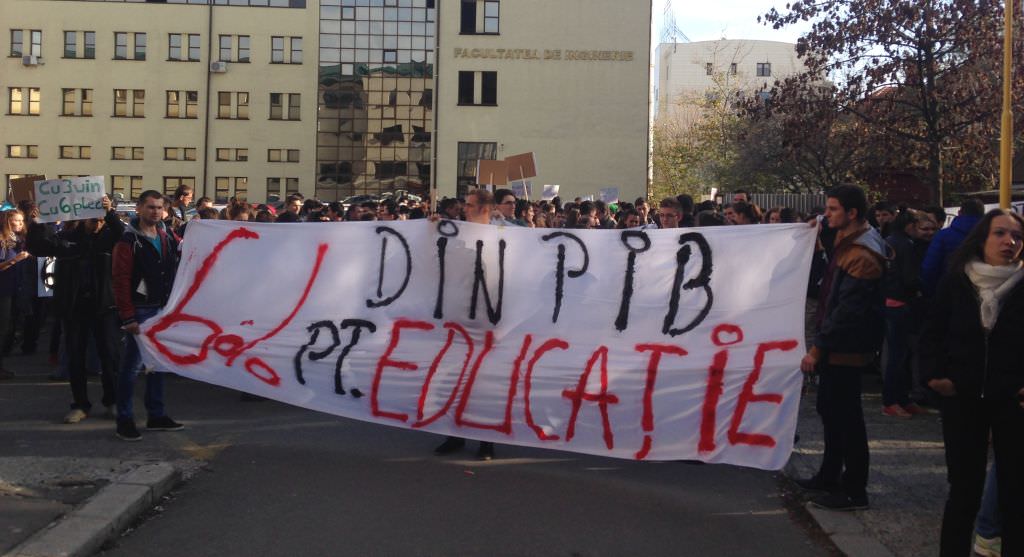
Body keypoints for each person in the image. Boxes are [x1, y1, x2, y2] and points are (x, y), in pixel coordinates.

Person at [919, 209, 1024, 556]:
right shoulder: (957, 280)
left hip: (1012, 401)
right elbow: (933, 331)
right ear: (982, 238)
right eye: (1000, 234)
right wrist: (936, 377)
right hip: (962, 397)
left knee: (1014, 492)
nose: (1010, 242)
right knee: (964, 490)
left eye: (1017, 236)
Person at [798, 184, 886, 511]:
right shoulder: (851, 240)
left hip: (845, 349)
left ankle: (853, 490)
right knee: (831, 412)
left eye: (833, 209)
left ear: (851, 213)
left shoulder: (862, 254)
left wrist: (817, 349)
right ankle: (829, 476)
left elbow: (847, 311)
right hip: (838, 346)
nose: (826, 214)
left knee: (847, 418)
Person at [27, 197, 123, 423]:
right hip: (74, 307)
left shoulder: (109, 239)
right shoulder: (68, 239)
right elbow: (38, 246)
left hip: (104, 307)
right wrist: (42, 221)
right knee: (75, 357)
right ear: (81, 219)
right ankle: (80, 404)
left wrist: (110, 213)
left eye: (101, 220)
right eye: (92, 220)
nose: (97, 224)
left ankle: (112, 401)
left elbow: (122, 233)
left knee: (109, 356)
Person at [111, 190, 184, 441]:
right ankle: (125, 419)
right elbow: (120, 281)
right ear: (139, 208)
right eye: (150, 207)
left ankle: (156, 414)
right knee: (131, 367)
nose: (155, 212)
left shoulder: (166, 237)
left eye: (159, 208)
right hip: (140, 310)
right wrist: (128, 316)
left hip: (162, 308)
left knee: (157, 365)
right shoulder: (128, 242)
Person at [433, 188, 497, 461]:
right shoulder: (457, 232)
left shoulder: (501, 234)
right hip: (459, 316)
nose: (464, 209)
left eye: (469, 205)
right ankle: (455, 433)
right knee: (454, 379)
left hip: (489, 320)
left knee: (484, 383)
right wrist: (431, 231)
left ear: (484, 207)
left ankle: (486, 440)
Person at [880, 210, 927, 417]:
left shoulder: (888, 241)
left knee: (897, 354)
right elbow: (909, 278)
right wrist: (920, 288)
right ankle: (892, 400)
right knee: (899, 356)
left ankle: (900, 398)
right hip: (900, 302)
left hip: (888, 301)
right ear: (910, 225)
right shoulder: (906, 245)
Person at [921, 198, 985, 296]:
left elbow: (930, 268)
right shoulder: (990, 235)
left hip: (949, 291)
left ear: (959, 212)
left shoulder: (943, 236)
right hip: (984, 290)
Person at [0, 210, 30, 379]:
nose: (19, 224)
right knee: (2, 329)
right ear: (6, 222)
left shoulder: (18, 240)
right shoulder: (2, 240)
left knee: (9, 328)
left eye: (21, 221)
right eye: (15, 221)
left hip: (14, 288)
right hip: (2, 290)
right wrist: (15, 260)